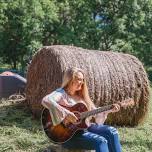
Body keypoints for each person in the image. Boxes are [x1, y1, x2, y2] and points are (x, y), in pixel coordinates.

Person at [41, 67, 122, 152]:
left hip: (85, 129)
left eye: (83, 79)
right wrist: (65, 113)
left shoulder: (82, 96)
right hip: (67, 135)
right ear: (69, 80)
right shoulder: (61, 93)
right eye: (79, 79)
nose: (82, 82)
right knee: (101, 141)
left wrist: (107, 110)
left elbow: (97, 116)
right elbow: (46, 100)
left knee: (112, 131)